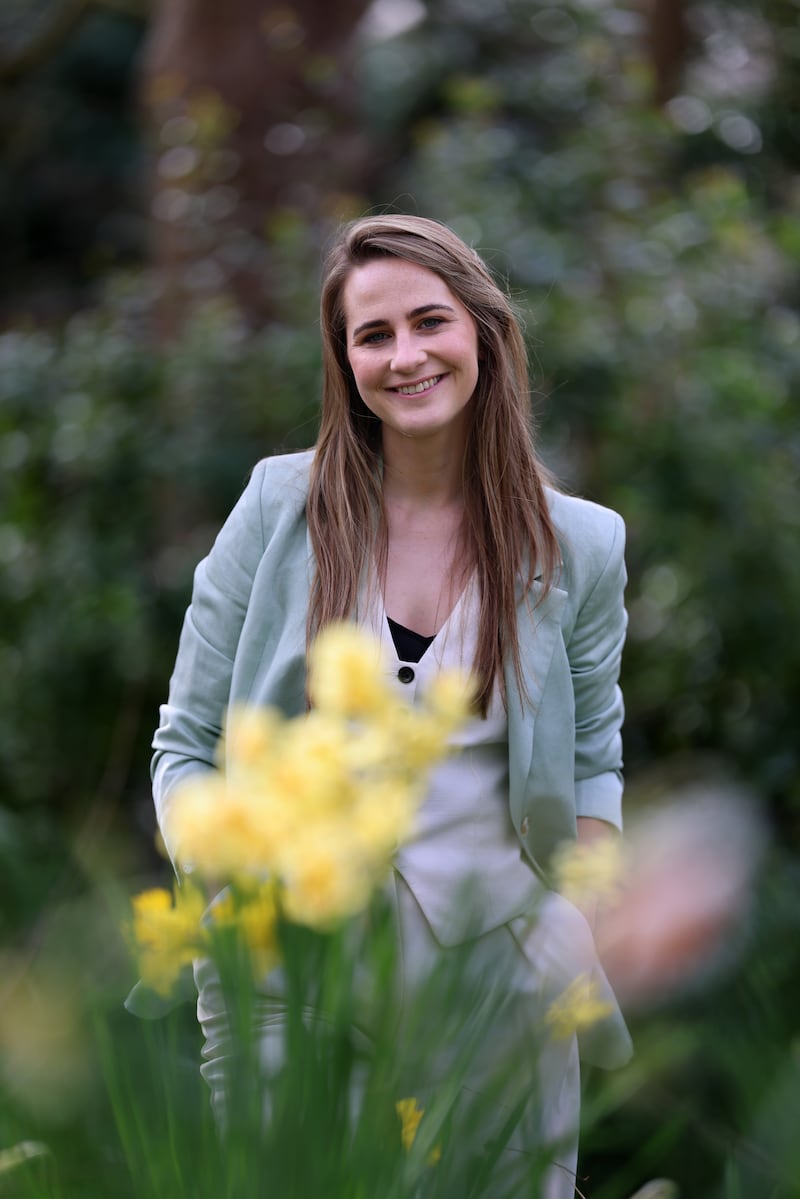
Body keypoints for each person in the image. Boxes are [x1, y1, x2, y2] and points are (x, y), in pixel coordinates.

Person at [150, 214, 632, 1197]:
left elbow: (591, 749)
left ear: (483, 334)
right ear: (344, 361)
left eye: (428, 322)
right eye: (373, 336)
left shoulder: (578, 546)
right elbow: (186, 740)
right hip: (290, 969)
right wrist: (223, 890)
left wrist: (574, 904)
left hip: (502, 978)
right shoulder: (276, 510)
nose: (404, 356)